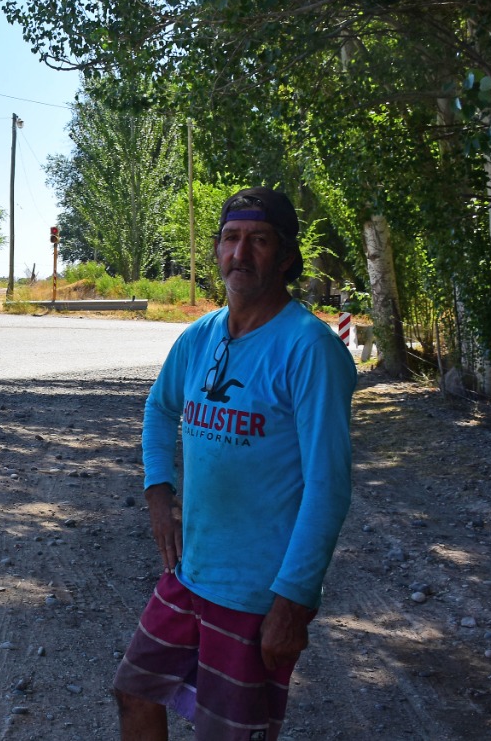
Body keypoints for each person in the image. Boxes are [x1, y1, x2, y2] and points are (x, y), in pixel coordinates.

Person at [113, 187, 357, 741]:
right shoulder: (201, 335)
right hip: (190, 575)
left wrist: (293, 603)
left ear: (287, 257)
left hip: (255, 595)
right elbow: (159, 407)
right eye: (230, 238)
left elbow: (329, 487)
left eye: (259, 240)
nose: (240, 253)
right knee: (135, 692)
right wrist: (159, 492)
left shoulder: (310, 348)